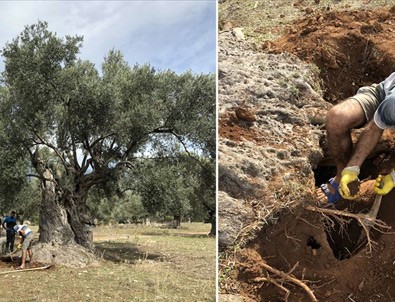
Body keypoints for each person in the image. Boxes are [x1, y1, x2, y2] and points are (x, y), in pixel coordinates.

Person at [318, 72, 395, 204]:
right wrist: (351, 168)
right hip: (383, 94)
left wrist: (393, 177)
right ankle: (340, 177)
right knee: (338, 118)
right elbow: (374, 128)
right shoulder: (393, 104)